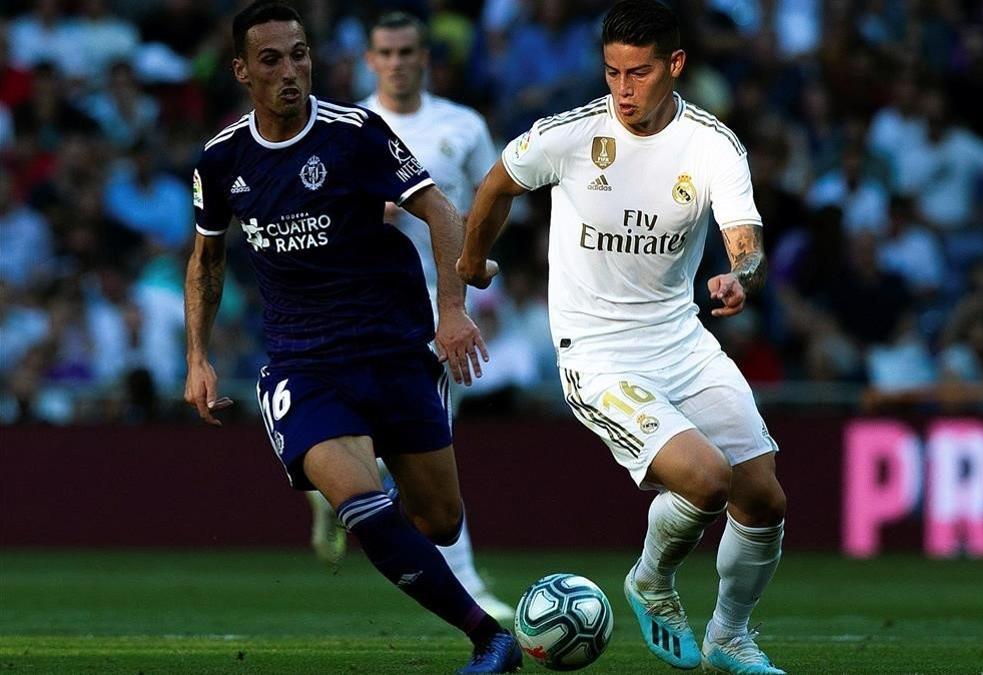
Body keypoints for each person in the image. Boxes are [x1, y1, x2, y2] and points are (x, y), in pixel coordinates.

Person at [182, 2, 519, 673]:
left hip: (396, 351)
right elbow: (207, 259)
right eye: (272, 59)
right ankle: (490, 637)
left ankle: (362, 489)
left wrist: (451, 310)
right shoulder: (221, 161)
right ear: (242, 70)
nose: (290, 71)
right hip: (305, 364)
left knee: (440, 521)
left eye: (300, 54)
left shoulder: (355, 132)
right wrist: (197, 358)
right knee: (365, 507)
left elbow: (442, 210)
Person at [457, 1, 787, 673]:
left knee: (763, 495)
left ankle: (730, 634)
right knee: (704, 478)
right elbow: (495, 185)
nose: (623, 91)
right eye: (611, 73)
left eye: (638, 73)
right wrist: (469, 261)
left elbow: (744, 242)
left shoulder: (712, 145)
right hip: (597, 354)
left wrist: (739, 277)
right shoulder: (571, 135)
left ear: (675, 65)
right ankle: (649, 581)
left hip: (681, 341)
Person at [299, 9, 514, 623]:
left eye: (406, 52)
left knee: (429, 443)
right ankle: (464, 581)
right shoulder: (344, 130)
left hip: (444, 310)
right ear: (369, 60)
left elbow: (493, 209)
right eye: (384, 53)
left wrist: (479, 281)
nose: (395, 62)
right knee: (428, 442)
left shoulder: (464, 127)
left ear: (425, 57)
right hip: (368, 311)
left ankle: (340, 488)